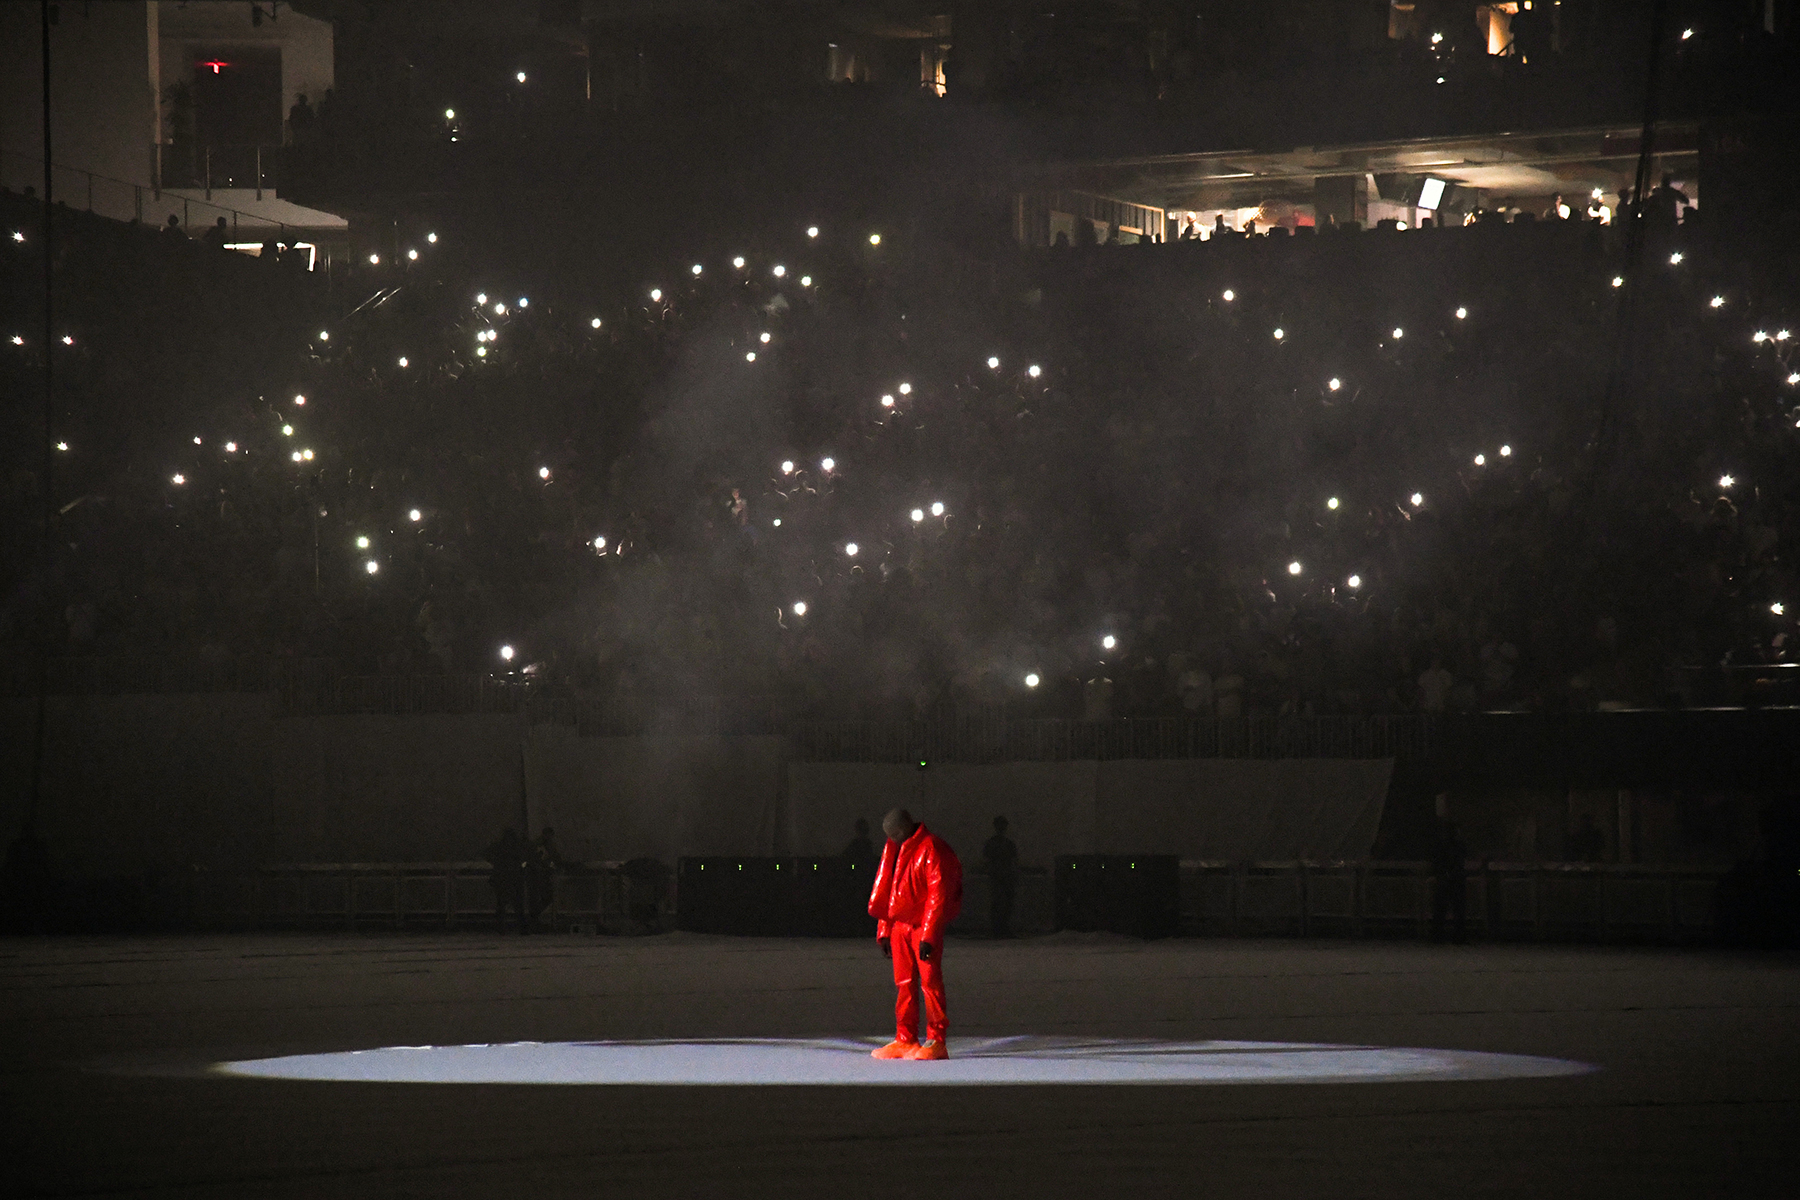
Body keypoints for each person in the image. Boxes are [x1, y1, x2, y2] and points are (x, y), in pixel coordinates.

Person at [867, 807, 962, 1060]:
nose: (891, 839)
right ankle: (905, 1037)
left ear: (902, 830)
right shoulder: (896, 849)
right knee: (904, 984)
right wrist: (885, 929)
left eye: (893, 834)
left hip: (921, 926)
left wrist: (929, 935)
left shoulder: (931, 849)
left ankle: (936, 1039)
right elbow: (889, 890)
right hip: (901, 926)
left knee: (930, 983)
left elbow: (937, 894)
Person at [1430, 811, 1468, 943]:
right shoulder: (1456, 844)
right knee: (1456, 907)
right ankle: (1457, 934)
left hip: (1448, 877)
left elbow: (1437, 861)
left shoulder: (1443, 844)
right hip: (1454, 877)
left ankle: (1439, 934)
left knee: (1443, 907)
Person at [483, 826, 528, 933]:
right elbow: (524, 858)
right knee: (516, 903)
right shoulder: (516, 847)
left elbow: (487, 854)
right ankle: (520, 927)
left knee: (503, 903)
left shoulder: (500, 847)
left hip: (503, 877)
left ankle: (502, 927)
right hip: (513, 877)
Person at [982, 815, 1019, 937]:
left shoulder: (996, 843)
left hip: (1001, 876)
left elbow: (987, 860)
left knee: (1002, 902)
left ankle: (1000, 928)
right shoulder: (1005, 844)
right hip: (1001, 876)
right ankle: (999, 928)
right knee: (1001, 903)